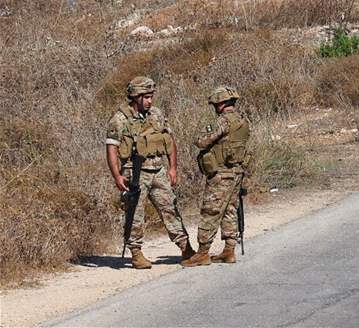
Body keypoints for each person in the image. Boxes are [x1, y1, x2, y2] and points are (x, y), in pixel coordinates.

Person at [105, 76, 194, 269]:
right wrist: (117, 176)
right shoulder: (120, 119)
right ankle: (136, 253)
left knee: (170, 208)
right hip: (134, 171)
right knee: (135, 212)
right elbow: (112, 149)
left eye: (151, 96)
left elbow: (169, 142)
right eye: (145, 97)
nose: (149, 101)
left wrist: (172, 168)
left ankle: (186, 248)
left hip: (158, 169)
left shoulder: (157, 114)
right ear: (136, 97)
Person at [184, 86, 251, 266]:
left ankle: (203, 253)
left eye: (215, 104)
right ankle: (229, 250)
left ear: (221, 104)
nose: (214, 107)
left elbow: (201, 141)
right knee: (230, 210)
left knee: (210, 211)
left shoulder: (223, 122)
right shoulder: (244, 121)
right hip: (237, 172)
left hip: (221, 174)